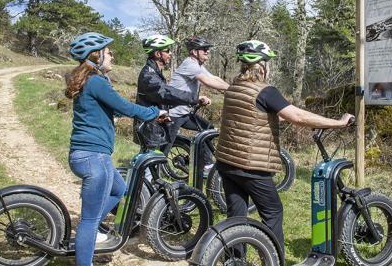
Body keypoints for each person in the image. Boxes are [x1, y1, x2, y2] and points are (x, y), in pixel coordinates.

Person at [215, 40, 353, 253]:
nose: (269, 67)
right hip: (251, 165)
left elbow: (249, 117)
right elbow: (297, 115)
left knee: (236, 215)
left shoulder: (234, 87)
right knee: (273, 211)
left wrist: (279, 119)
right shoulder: (265, 91)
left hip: (226, 162)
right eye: (268, 63)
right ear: (261, 66)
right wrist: (339, 123)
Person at [66, 32, 164, 266]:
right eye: (109, 52)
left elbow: (102, 110)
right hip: (93, 156)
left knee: (120, 189)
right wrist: (155, 112)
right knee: (87, 219)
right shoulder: (96, 81)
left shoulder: (89, 79)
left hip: (91, 154)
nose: (113, 55)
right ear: (96, 56)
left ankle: (94, 234)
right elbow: (127, 107)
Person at [166, 36, 229, 175]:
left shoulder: (198, 66)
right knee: (165, 146)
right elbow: (207, 81)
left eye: (208, 49)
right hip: (174, 113)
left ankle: (205, 164)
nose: (207, 52)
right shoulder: (190, 64)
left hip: (185, 112)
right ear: (194, 52)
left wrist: (232, 87)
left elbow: (213, 78)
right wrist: (232, 89)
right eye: (204, 49)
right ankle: (152, 174)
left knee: (207, 129)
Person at [134, 34, 208, 148]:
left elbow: (161, 99)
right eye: (167, 51)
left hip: (155, 124)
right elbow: (166, 93)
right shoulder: (148, 75)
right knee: (151, 161)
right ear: (158, 54)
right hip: (149, 127)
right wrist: (194, 98)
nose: (170, 54)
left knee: (156, 160)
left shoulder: (155, 72)